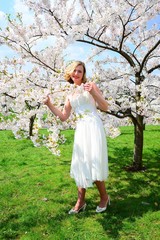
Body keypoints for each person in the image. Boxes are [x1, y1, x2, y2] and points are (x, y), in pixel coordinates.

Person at [43, 61, 110, 214]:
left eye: (80, 71)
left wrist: (93, 93)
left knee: (94, 161)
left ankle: (104, 197)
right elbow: (64, 116)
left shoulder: (91, 85)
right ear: (70, 73)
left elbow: (105, 107)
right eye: (74, 71)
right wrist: (49, 104)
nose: (77, 74)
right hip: (81, 129)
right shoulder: (70, 94)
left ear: (83, 73)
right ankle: (80, 201)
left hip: (93, 126)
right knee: (81, 163)